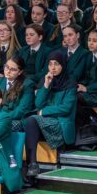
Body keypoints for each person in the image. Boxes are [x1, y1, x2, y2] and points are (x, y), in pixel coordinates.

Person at [24, 51, 77, 183]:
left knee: (31, 120)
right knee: (27, 121)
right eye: (50, 64)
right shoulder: (46, 79)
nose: (53, 68)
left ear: (63, 66)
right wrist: (46, 86)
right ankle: (32, 163)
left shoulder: (70, 83)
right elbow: (38, 103)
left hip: (61, 122)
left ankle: (32, 164)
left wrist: (43, 112)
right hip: (46, 120)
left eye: (56, 64)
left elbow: (65, 108)